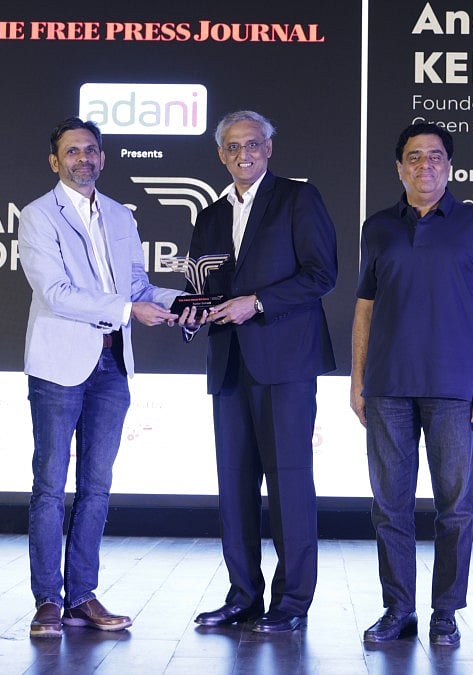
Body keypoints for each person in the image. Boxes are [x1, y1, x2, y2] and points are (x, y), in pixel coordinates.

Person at [18, 117, 183, 639]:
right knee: (50, 487)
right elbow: (56, 293)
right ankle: (47, 599)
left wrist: (186, 303)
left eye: (91, 150)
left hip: (113, 365)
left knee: (96, 488)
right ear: (55, 161)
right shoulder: (39, 216)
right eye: (72, 151)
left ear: (103, 158)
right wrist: (129, 309)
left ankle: (82, 595)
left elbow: (136, 284)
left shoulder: (119, 215)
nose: (82, 159)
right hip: (59, 367)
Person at [351, 122, 473, 647]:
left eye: (436, 156)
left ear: (450, 166)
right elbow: (365, 311)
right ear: (399, 168)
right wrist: (358, 380)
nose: (426, 166)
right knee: (389, 506)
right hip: (388, 387)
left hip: (454, 389)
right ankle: (398, 609)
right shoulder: (378, 228)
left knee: (454, 506)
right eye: (415, 157)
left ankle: (446, 611)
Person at [179, 110, 337, 634]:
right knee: (235, 487)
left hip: (285, 361)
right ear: (220, 155)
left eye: (252, 144)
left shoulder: (297, 198)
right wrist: (188, 309)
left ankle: (292, 601)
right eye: (231, 146)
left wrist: (259, 302)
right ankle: (243, 594)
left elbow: (322, 274)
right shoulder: (209, 214)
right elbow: (204, 283)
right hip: (227, 362)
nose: (242, 154)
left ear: (269, 148)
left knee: (290, 484)